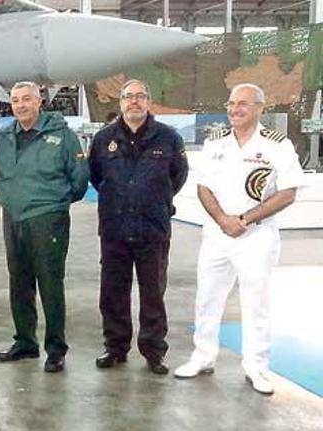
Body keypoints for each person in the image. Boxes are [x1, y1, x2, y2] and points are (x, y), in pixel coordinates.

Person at [174, 83, 305, 395]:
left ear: (260, 108)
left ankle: (256, 367)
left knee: (255, 303)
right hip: (218, 236)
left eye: (243, 104)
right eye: (232, 103)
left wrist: (245, 220)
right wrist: (223, 220)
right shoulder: (215, 143)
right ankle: (203, 357)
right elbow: (203, 187)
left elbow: (288, 192)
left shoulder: (277, 145)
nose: (235, 109)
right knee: (207, 298)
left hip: (256, 237)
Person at [88, 80, 189, 374]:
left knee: (153, 292)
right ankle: (115, 347)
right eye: (128, 97)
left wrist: (153, 200)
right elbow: (96, 176)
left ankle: (154, 351)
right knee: (113, 292)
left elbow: (177, 178)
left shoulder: (168, 138)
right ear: (120, 103)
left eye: (139, 96)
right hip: (114, 228)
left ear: (148, 101)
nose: (134, 102)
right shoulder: (104, 138)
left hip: (152, 229)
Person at [0, 81, 89, 373]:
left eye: (26, 99)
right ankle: (25, 342)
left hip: (48, 219)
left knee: (50, 284)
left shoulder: (62, 136)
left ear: (40, 102)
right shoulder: (5, 135)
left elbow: (79, 180)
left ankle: (55, 348)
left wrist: (54, 203)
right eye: (15, 101)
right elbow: (0, 174)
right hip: (13, 217)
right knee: (19, 283)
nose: (20, 105)